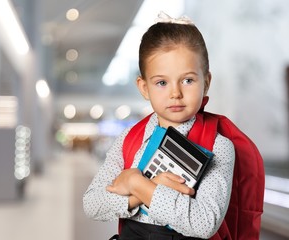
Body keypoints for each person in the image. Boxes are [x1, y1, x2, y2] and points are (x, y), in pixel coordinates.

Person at [83, 11, 235, 240]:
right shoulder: (130, 139)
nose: (175, 93)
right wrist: (146, 189)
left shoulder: (219, 146)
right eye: (162, 82)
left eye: (188, 80)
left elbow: (204, 222)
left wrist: (136, 183)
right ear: (144, 87)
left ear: (206, 82)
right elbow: (92, 204)